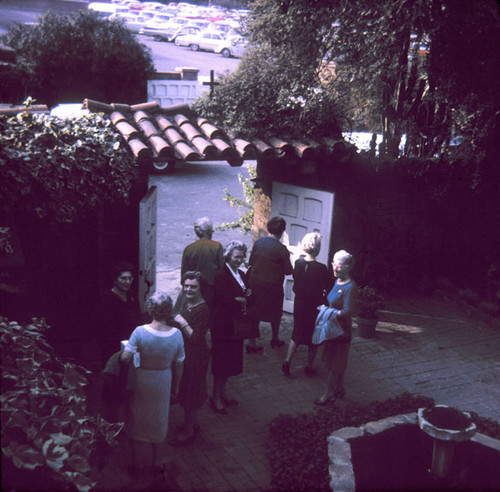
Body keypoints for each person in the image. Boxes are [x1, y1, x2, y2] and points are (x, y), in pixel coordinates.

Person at [121, 292, 185, 475]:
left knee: (137, 417)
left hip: (142, 380)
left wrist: (127, 350)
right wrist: (176, 386)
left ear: (150, 309)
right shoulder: (177, 335)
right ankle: (155, 463)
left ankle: (134, 463)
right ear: (168, 311)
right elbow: (179, 364)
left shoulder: (139, 332)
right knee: (159, 418)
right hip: (163, 380)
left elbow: (125, 358)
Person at [210, 240, 255, 414]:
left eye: (242, 257)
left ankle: (223, 392)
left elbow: (251, 294)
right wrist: (242, 300)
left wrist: (244, 299)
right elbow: (226, 300)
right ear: (228, 256)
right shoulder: (221, 275)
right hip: (222, 326)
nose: (239, 260)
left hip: (236, 326)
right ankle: (215, 397)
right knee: (220, 363)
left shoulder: (242, 274)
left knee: (230, 362)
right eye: (236, 256)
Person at [282, 232, 331, 377]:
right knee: (314, 335)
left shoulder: (298, 263)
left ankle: (287, 361)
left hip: (300, 303)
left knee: (297, 332)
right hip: (314, 305)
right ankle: (309, 366)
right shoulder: (321, 268)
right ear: (318, 249)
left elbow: (296, 280)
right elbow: (327, 285)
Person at [314, 250, 357, 406]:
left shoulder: (350, 287)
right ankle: (340, 388)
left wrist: (328, 311)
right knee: (334, 361)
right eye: (333, 263)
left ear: (347, 267)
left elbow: (347, 312)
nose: (334, 268)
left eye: (338, 265)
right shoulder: (337, 280)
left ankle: (328, 394)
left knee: (334, 363)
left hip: (341, 331)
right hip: (332, 328)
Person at [172, 271, 210, 445]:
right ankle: (189, 424)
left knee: (191, 393)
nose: (188, 289)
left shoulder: (203, 309)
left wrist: (182, 322)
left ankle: (188, 432)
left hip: (196, 356)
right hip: (186, 354)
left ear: (200, 288)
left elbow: (196, 337)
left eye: (193, 286)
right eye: (186, 286)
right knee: (186, 390)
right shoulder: (187, 303)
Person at [248, 216, 293, 351]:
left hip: (256, 283)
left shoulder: (259, 243)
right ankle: (275, 338)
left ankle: (252, 342)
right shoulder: (281, 249)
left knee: (254, 312)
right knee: (275, 313)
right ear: (282, 232)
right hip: (273, 286)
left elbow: (251, 262)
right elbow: (288, 271)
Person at [97, 261, 144, 364]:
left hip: (131, 344)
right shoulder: (106, 299)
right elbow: (106, 328)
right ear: (115, 279)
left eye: (130, 278)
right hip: (112, 347)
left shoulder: (132, 296)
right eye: (123, 278)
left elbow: (138, 319)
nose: (127, 282)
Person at [180, 217, 224, 308]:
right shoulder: (216, 246)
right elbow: (222, 270)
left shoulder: (189, 248)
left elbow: (184, 274)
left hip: (194, 289)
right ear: (208, 232)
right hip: (212, 289)